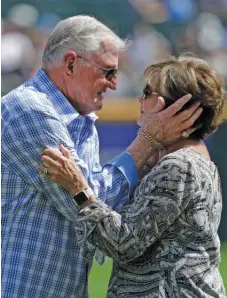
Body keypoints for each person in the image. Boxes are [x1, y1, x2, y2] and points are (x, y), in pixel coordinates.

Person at [1, 14, 201, 298]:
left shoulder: (80, 117)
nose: (115, 84)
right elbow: (90, 202)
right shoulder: (30, 109)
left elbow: (95, 205)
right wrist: (146, 142)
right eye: (108, 72)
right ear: (71, 64)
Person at [41, 55, 227, 297]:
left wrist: (78, 189)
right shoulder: (186, 159)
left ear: (175, 108)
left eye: (148, 92)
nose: (140, 98)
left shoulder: (179, 165)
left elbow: (123, 243)